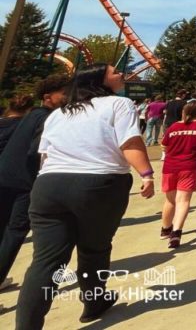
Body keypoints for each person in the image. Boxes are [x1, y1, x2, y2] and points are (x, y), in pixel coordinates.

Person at [14, 64, 155, 329]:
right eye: (115, 73)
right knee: (95, 248)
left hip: (49, 186)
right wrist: (146, 173)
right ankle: (94, 301)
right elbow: (130, 143)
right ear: (99, 81)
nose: (121, 75)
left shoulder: (58, 114)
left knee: (45, 262)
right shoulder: (119, 104)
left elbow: (44, 155)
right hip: (100, 183)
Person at [0, 78, 68, 291]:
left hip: (6, 177)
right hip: (25, 182)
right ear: (48, 96)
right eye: (63, 92)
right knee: (15, 232)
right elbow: (35, 152)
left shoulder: (33, 114)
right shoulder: (48, 118)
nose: (67, 96)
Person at [159, 100, 196, 248]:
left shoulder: (174, 126)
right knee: (183, 200)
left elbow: (164, 146)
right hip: (190, 166)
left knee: (170, 200)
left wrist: (175, 152)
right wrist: (195, 150)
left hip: (170, 167)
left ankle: (165, 229)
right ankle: (176, 233)